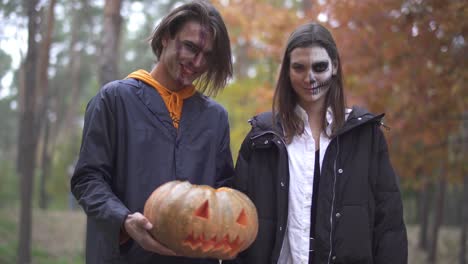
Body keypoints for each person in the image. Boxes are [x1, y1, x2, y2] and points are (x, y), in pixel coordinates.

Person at [70, 1, 234, 263]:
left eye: (208, 55)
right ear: (167, 36)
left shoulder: (215, 118)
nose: (198, 62)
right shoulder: (114, 100)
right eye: (191, 47)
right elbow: (87, 179)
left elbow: (224, 193)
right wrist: (123, 220)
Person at [230, 22, 408, 263]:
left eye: (319, 66)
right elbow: (237, 221)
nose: (309, 77)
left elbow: (389, 225)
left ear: (334, 66)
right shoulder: (262, 138)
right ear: (288, 71)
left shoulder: (365, 136)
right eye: (299, 67)